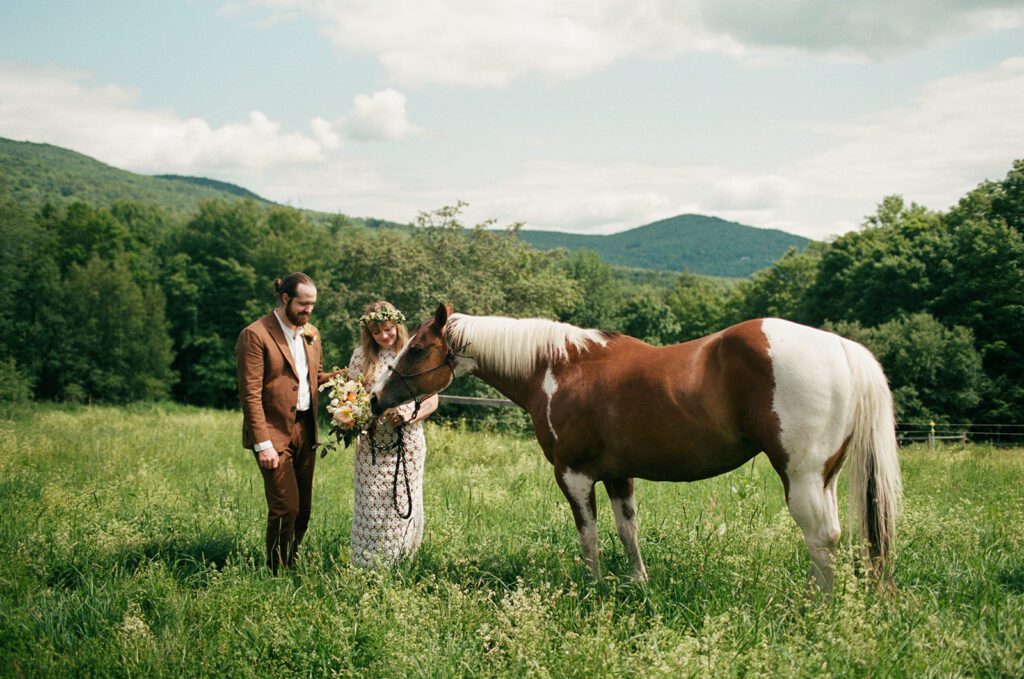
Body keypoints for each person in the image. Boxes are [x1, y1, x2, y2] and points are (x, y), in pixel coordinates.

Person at [235, 273, 336, 573]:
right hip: (273, 433)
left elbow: (314, 379)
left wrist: (345, 376)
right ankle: (275, 572)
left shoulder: (312, 333)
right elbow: (249, 394)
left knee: (303, 510)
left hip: (306, 429)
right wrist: (262, 443)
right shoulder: (255, 335)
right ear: (285, 299)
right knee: (285, 508)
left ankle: (291, 563)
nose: (308, 311)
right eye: (303, 305)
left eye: (312, 305)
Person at [347, 301, 438, 568]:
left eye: (388, 330)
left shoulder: (412, 353)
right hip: (372, 444)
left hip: (407, 443)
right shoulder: (360, 357)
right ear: (369, 334)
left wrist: (410, 415)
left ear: (396, 326)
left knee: (402, 504)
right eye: (377, 333)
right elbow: (351, 396)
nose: (384, 336)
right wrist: (360, 414)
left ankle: (399, 564)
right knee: (371, 506)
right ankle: (366, 565)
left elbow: (432, 399)